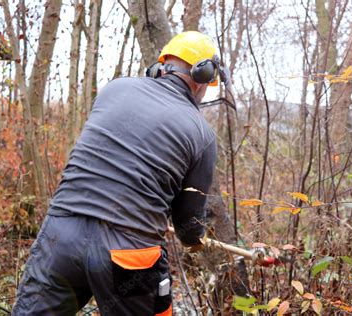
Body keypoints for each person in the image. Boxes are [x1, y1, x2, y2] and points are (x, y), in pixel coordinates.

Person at [12, 31, 222, 316]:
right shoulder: (202, 134)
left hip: (60, 236)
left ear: (161, 66)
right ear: (201, 76)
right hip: (128, 254)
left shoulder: (116, 89)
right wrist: (195, 238)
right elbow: (187, 224)